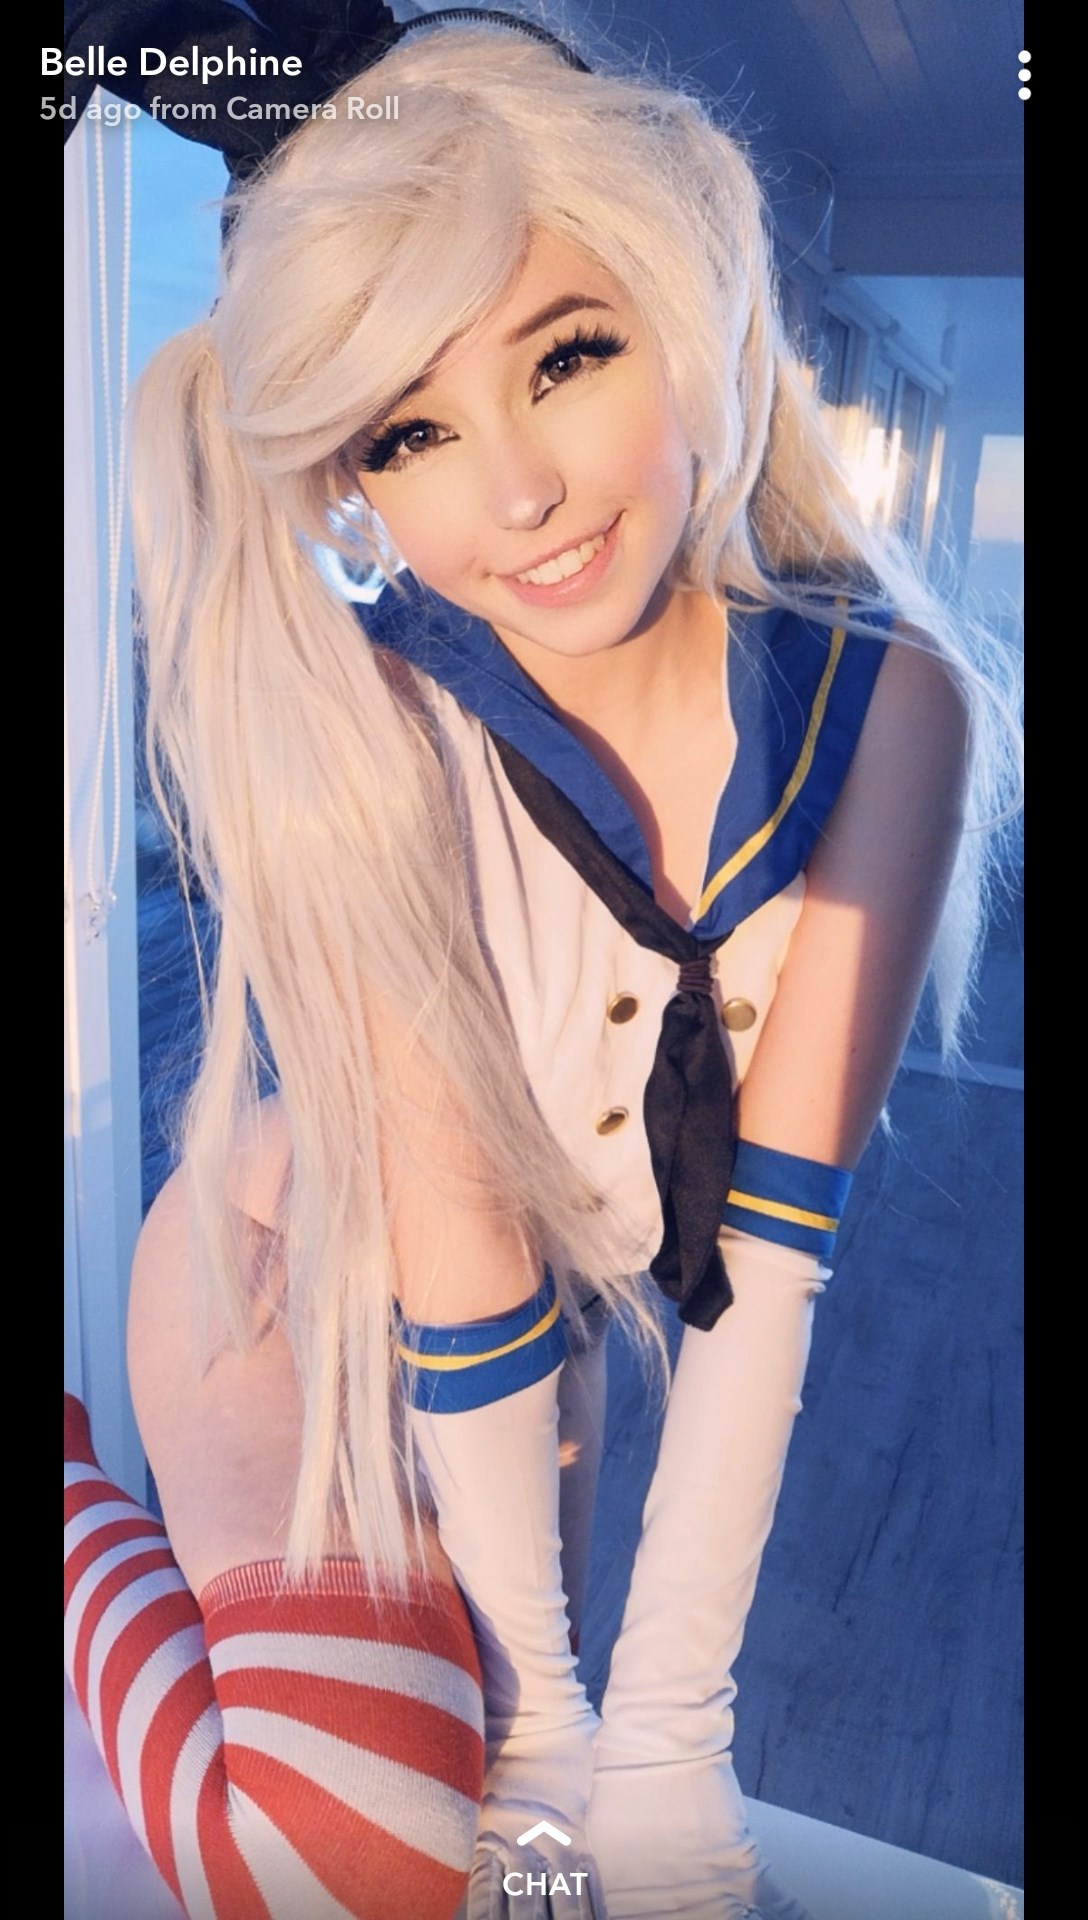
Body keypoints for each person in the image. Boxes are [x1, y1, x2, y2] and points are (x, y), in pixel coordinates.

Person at [63, 9, 1018, 1918]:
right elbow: (458, 1253)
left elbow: (767, 1262)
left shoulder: (893, 706)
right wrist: (558, 1752)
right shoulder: (397, 732)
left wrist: (664, 1751)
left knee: (567, 1810)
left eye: (566, 356)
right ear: (357, 484)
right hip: (300, 1295)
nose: (517, 494)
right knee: (352, 1853)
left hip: (548, 1346)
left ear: (688, 312)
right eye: (410, 431)